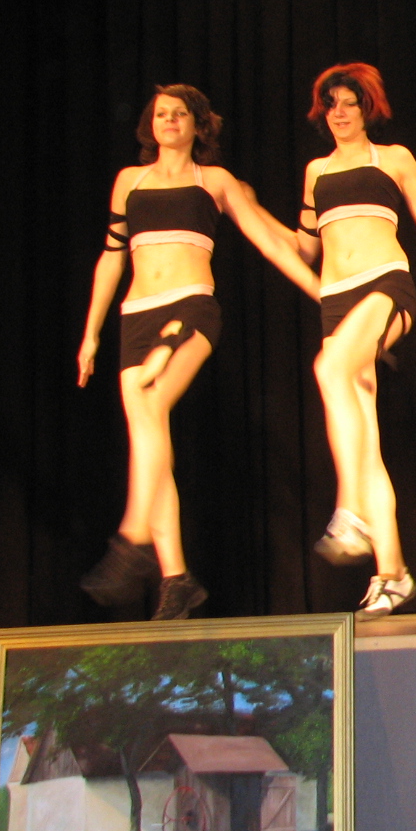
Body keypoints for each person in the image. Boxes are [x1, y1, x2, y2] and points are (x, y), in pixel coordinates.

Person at [78, 84, 321, 620]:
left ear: (198, 125)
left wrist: (321, 292)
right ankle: (175, 578)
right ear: (150, 125)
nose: (169, 120)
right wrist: (92, 332)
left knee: (151, 409)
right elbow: (112, 257)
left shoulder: (214, 181)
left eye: (180, 113)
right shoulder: (129, 181)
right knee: (149, 434)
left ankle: (132, 537)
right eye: (161, 114)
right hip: (135, 316)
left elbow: (269, 243)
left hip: (191, 306)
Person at [297, 63, 416, 620]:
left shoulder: (394, 159)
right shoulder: (316, 171)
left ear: (368, 109)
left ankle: (350, 511)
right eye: (332, 104)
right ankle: (393, 573)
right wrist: (252, 219)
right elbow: (305, 247)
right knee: (366, 440)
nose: (340, 113)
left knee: (328, 369)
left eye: (350, 103)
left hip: (386, 285)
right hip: (336, 301)